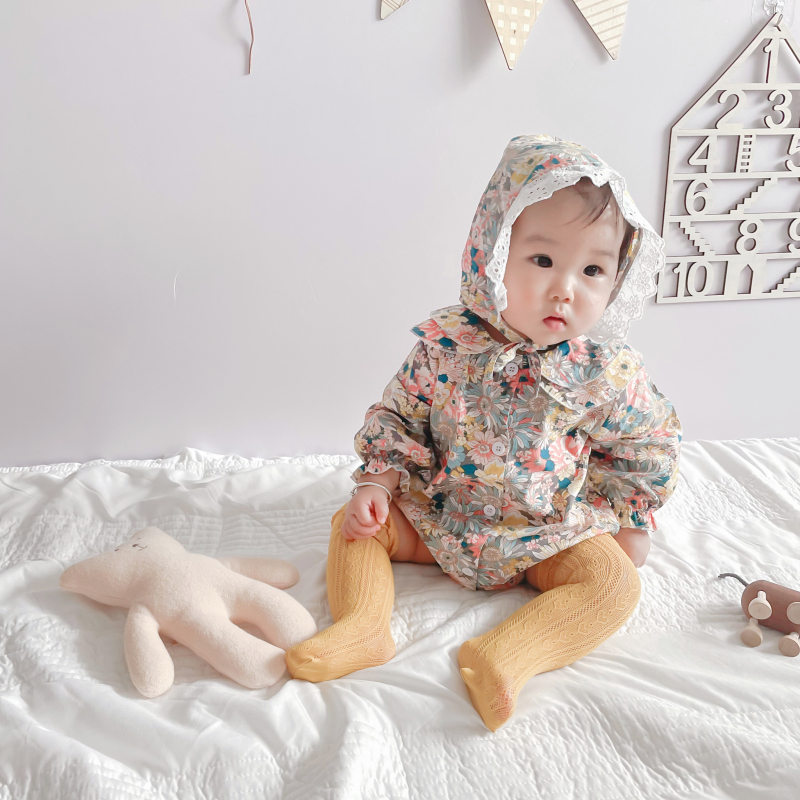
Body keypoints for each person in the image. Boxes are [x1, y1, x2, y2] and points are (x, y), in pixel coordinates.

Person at [285, 134, 682, 732]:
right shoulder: (450, 345)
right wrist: (378, 483)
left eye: (593, 270)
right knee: (355, 524)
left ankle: (507, 656)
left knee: (614, 586)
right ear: (492, 253)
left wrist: (629, 520)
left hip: (546, 533)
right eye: (543, 260)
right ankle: (363, 626)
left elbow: (643, 445)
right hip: (441, 514)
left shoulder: (604, 372)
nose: (566, 288)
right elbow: (400, 413)